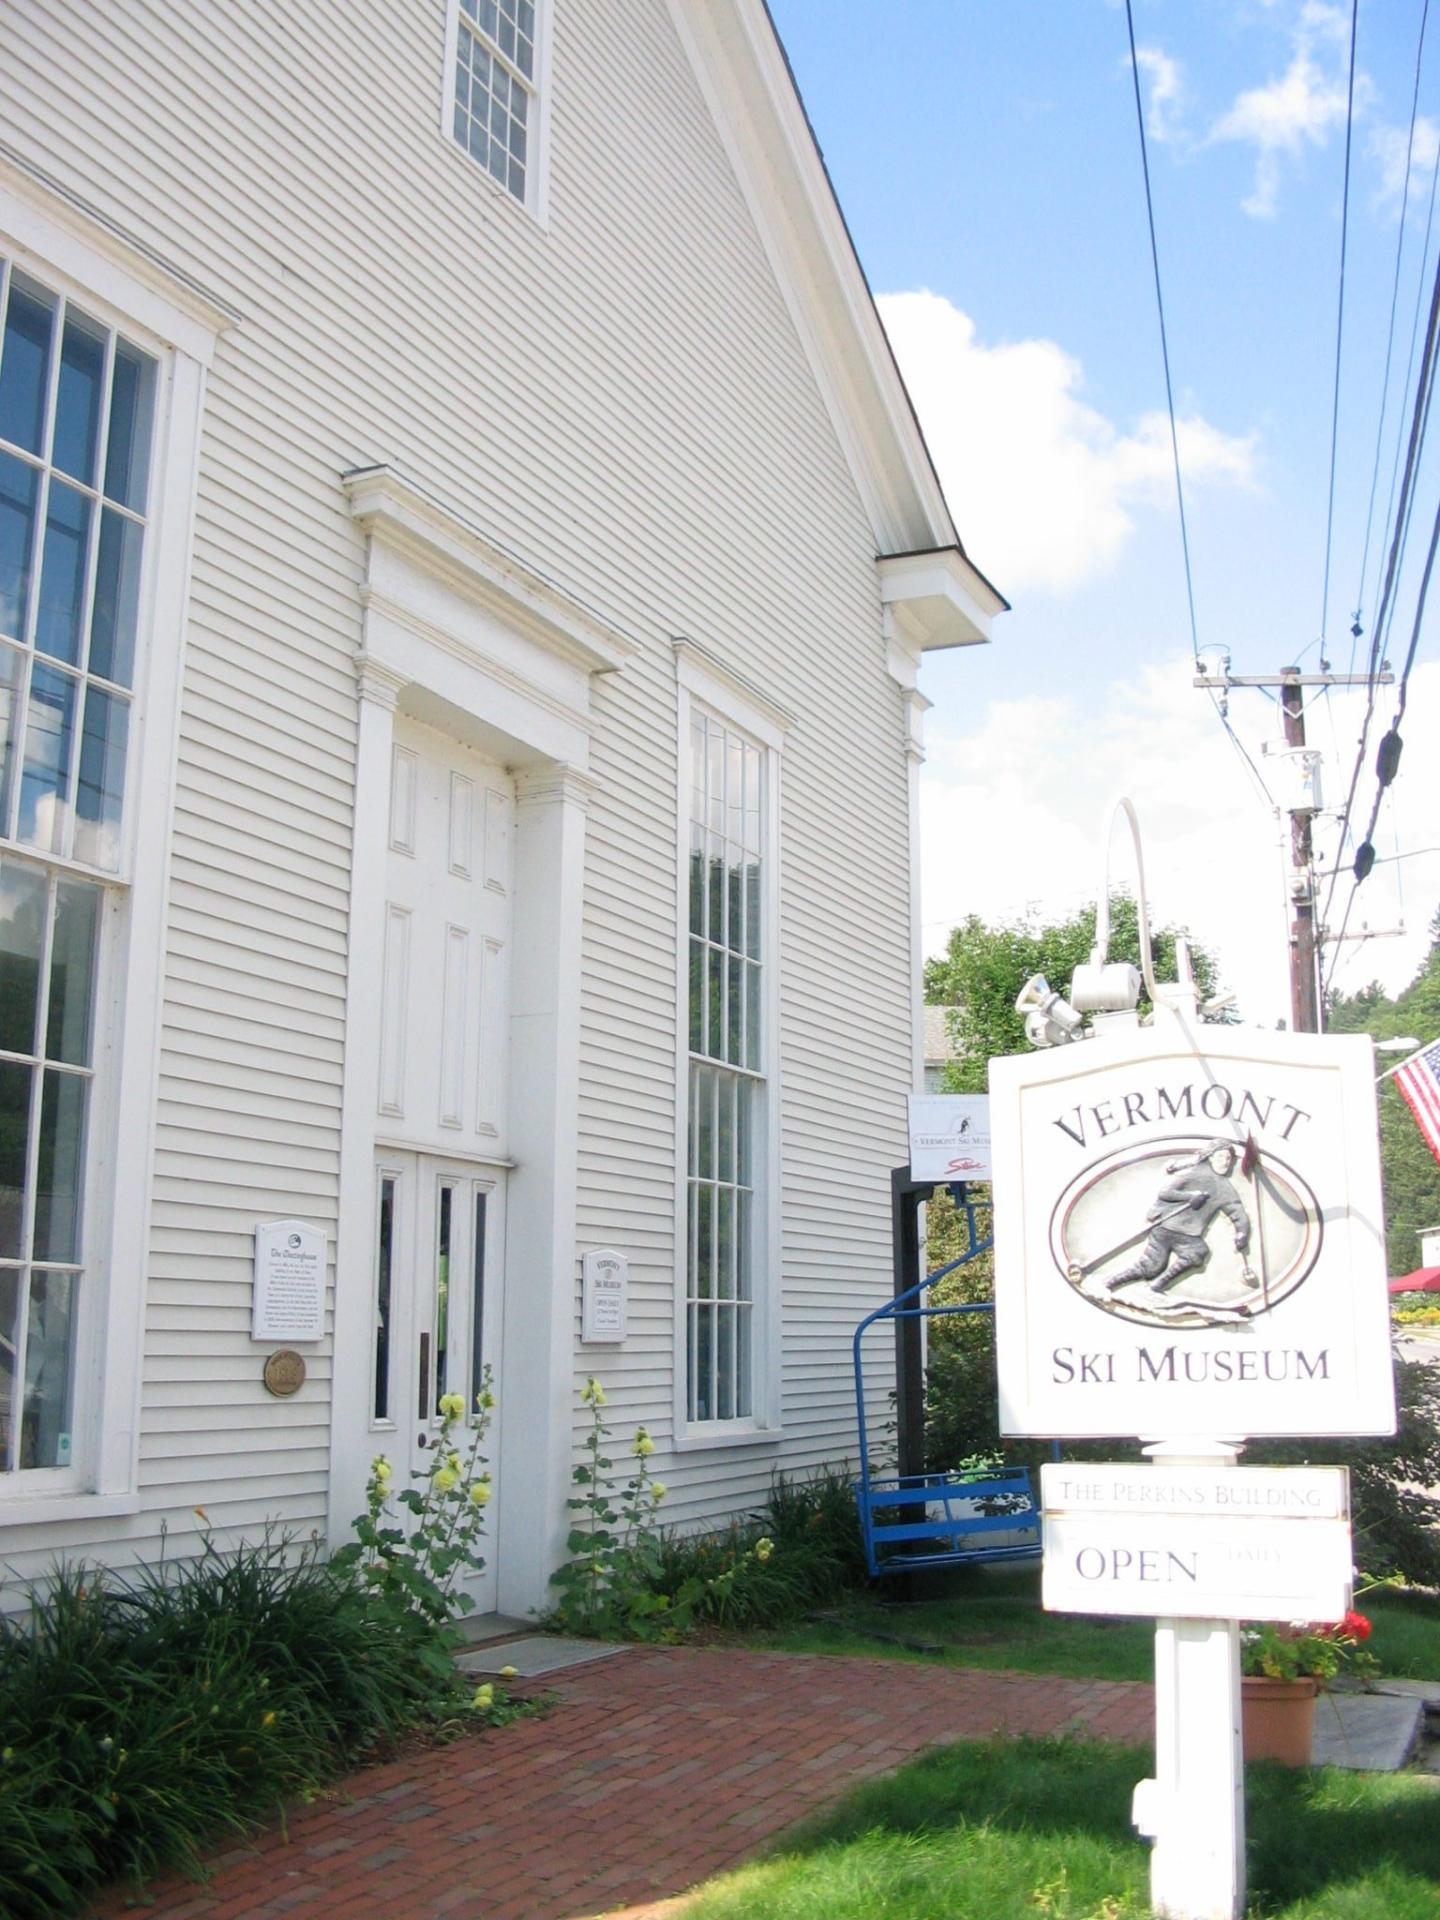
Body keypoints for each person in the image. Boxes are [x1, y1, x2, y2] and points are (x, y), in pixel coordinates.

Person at [1107, 1140, 1256, 1295]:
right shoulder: (1191, 1174)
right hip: (1166, 1226)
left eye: (1229, 1159)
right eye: (1221, 1157)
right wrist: (1189, 1197)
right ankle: (1112, 1282)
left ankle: (1157, 1285)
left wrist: (1242, 1233)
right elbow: (1165, 1192)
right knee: (1152, 1266)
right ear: (1210, 1157)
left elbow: (1236, 1210)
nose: (1225, 1162)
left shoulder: (1224, 1187)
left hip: (1189, 1235)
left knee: (1197, 1254)